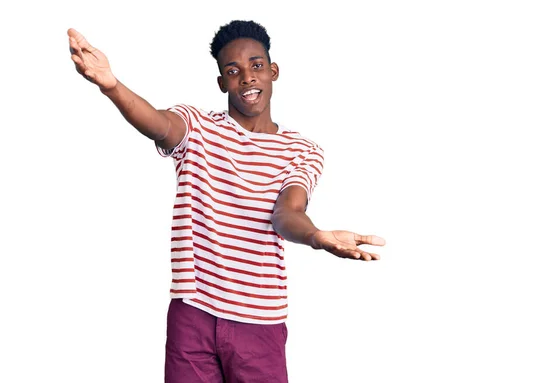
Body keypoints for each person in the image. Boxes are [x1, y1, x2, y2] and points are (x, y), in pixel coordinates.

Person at [68, 20, 385, 383]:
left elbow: (285, 213)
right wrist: (111, 85)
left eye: (256, 66)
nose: (247, 78)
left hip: (259, 321)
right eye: (233, 71)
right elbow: (158, 123)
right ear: (222, 83)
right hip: (193, 313)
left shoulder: (301, 150)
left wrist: (316, 237)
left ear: (273, 71)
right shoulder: (197, 127)